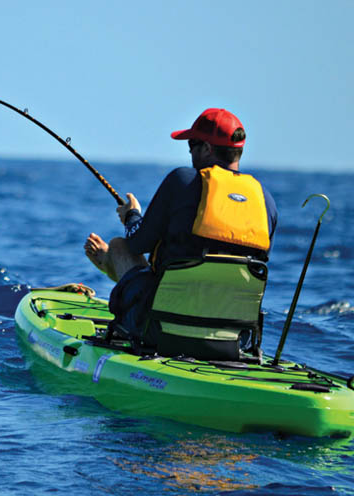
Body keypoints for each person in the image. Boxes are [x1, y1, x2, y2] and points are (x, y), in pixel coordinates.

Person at [84, 108, 278, 344]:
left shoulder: (183, 180)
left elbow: (137, 243)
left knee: (119, 246)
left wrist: (132, 215)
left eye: (192, 145)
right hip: (235, 338)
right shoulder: (265, 200)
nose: (190, 154)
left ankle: (112, 265)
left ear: (207, 148)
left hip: (161, 327)